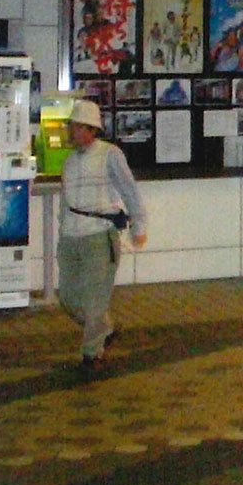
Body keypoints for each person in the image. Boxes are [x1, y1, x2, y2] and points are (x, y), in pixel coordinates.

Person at [58, 99, 148, 370]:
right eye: (71, 126)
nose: (70, 132)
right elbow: (66, 201)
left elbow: (130, 191)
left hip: (99, 235)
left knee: (95, 300)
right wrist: (62, 232)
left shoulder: (110, 155)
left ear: (89, 129)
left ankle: (91, 353)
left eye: (74, 127)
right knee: (69, 298)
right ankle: (105, 329)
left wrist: (139, 226)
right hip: (71, 236)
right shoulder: (70, 161)